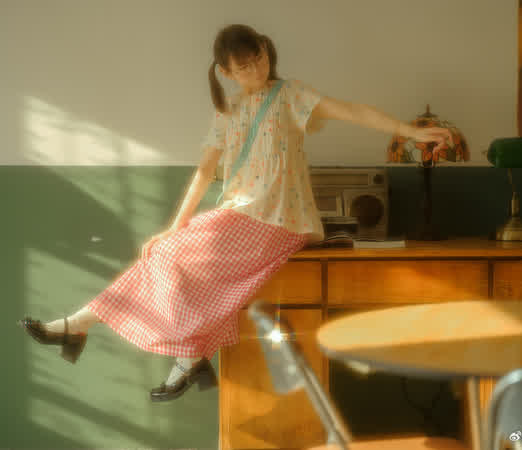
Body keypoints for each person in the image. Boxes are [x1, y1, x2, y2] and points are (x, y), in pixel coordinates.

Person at [18, 24, 452, 402]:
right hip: (240, 214)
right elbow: (205, 171)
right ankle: (153, 348)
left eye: (258, 58)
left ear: (266, 51)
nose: (255, 69)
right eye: (243, 67)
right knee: (167, 257)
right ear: (225, 72)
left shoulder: (291, 94)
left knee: (174, 261)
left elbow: (352, 111)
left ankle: (97, 330)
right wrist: (174, 227)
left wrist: (410, 132)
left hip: (279, 220)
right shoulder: (226, 110)